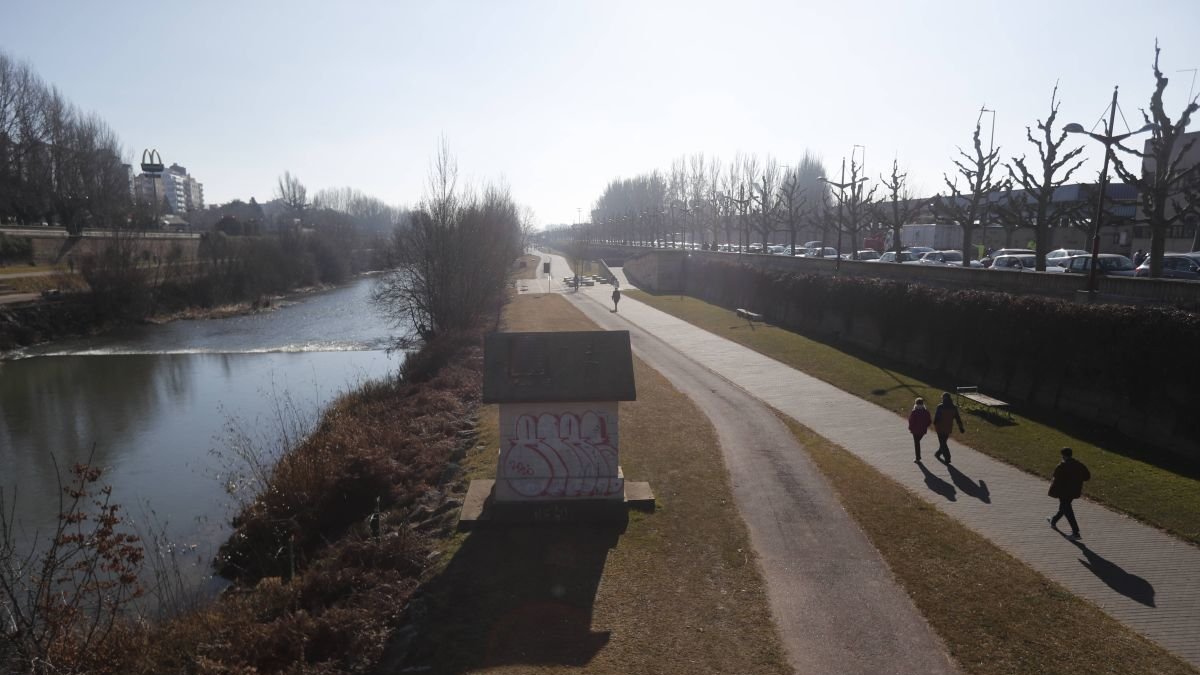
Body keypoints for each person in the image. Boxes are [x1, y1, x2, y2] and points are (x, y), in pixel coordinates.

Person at [1047, 447, 1090, 538]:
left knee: (1068, 511)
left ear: (1063, 455)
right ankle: (1053, 520)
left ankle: (1075, 532)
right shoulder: (1079, 465)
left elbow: (1055, 478)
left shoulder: (1062, 466)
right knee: (1064, 507)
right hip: (1074, 491)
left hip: (1063, 492)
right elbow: (1087, 477)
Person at [932, 392, 965, 464]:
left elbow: (936, 417)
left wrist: (934, 423)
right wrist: (961, 428)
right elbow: (958, 418)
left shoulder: (940, 406)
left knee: (943, 443)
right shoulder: (954, 408)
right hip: (948, 428)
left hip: (940, 428)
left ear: (943, 398)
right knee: (943, 442)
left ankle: (947, 458)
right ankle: (938, 454)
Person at [907, 397, 932, 462]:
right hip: (923, 430)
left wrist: (910, 428)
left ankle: (918, 458)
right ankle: (918, 457)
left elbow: (911, 421)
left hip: (915, 430)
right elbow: (929, 421)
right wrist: (925, 426)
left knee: (917, 443)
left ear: (916, 403)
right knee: (917, 442)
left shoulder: (914, 412)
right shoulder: (926, 412)